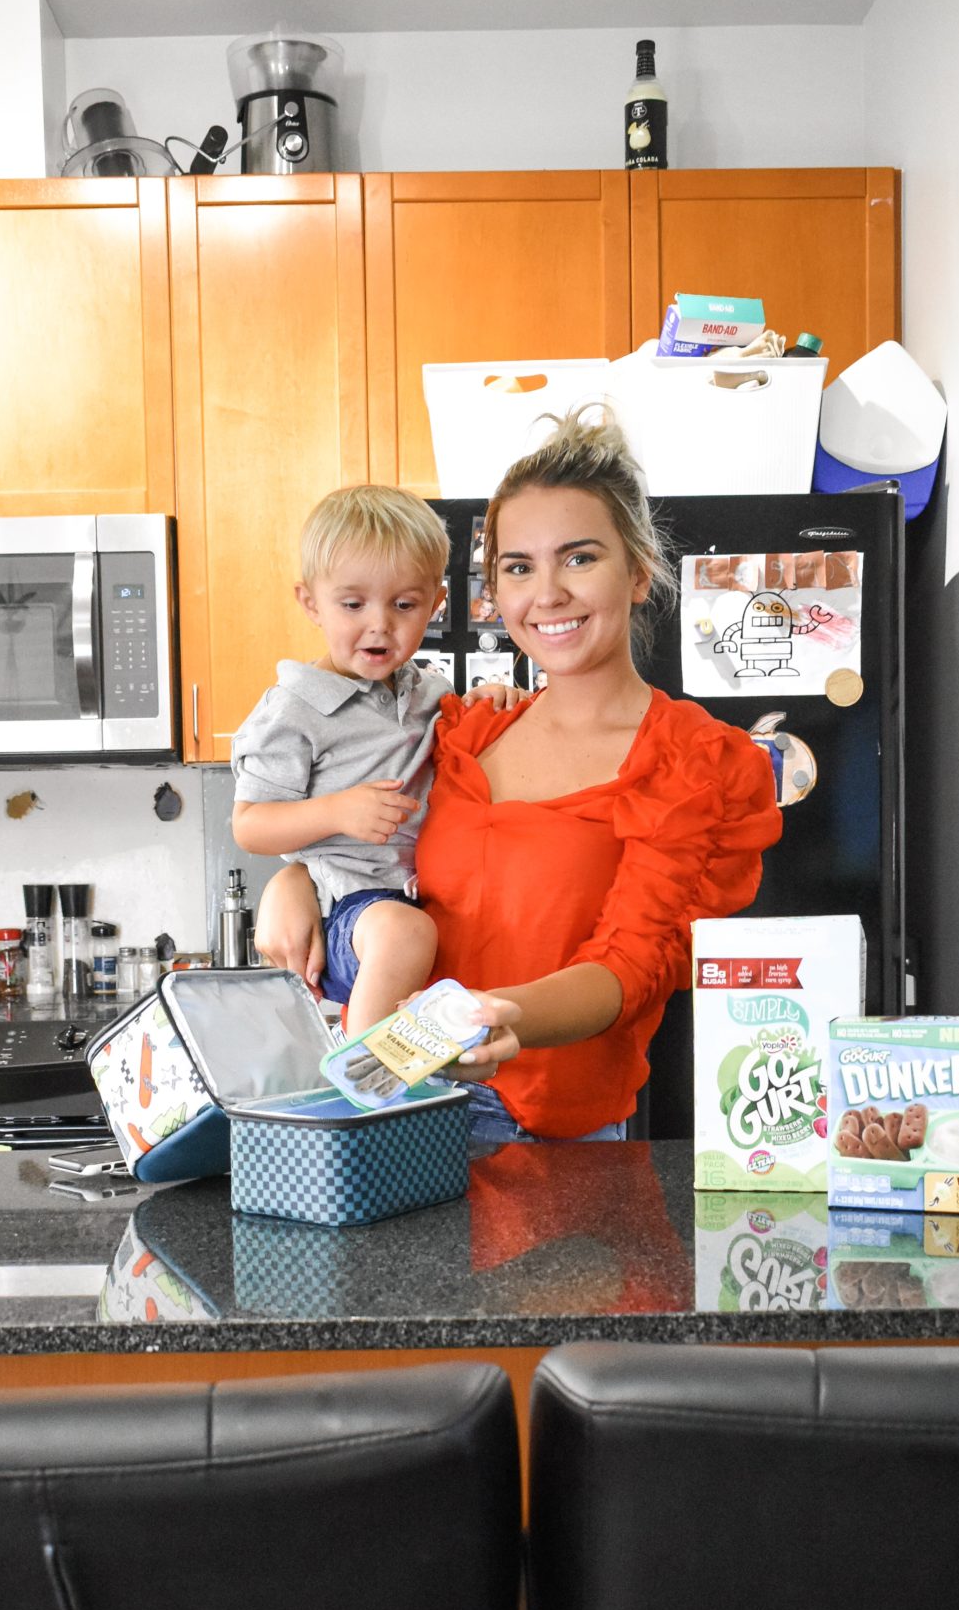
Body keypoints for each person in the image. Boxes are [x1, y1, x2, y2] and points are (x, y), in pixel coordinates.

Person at [255, 410, 783, 1142]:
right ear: (493, 591)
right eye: (518, 566)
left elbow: (631, 965)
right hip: (408, 1105)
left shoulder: (694, 762)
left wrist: (502, 1014)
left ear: (638, 572)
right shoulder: (465, 732)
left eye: (580, 558)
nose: (547, 593)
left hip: (549, 1135)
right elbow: (369, 843)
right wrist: (293, 882)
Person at [231, 484, 517, 1033]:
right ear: (312, 603)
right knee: (407, 935)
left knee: (421, 941)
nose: (380, 623)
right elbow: (250, 826)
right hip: (344, 907)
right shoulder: (293, 708)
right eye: (353, 604)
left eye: (404, 605)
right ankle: (363, 1072)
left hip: (408, 904)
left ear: (435, 605)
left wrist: (487, 701)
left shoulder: (431, 695)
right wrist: (336, 812)